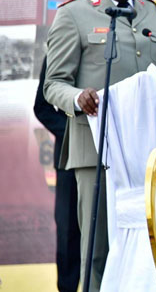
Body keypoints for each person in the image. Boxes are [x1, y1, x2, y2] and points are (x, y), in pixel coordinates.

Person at [44, 0, 156, 291]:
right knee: (98, 248)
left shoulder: (152, 12)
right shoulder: (73, 15)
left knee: (152, 243)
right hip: (95, 148)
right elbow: (53, 84)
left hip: (147, 150)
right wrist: (78, 97)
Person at [34, 56, 80, 292]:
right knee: (68, 232)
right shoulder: (58, 50)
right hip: (68, 159)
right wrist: (77, 134)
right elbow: (42, 108)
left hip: (109, 159)